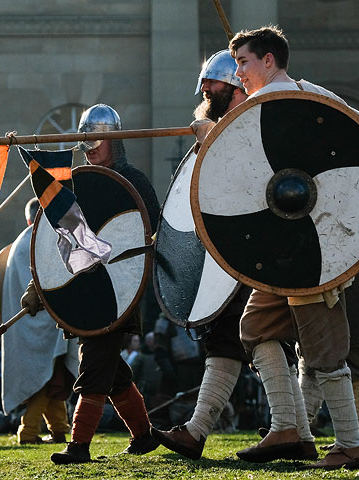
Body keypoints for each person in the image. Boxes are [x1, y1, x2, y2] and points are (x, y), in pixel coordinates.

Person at [228, 25, 359, 469]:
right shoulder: (266, 105)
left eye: (244, 62)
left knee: (323, 347)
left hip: (314, 245)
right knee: (256, 327)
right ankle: (289, 429)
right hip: (274, 249)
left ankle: (350, 444)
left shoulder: (307, 100)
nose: (239, 73)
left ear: (269, 60)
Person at [22, 104, 161, 464]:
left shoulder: (133, 182)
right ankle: (144, 436)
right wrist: (39, 289)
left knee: (95, 364)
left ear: (115, 139)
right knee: (111, 371)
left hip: (117, 288)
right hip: (86, 288)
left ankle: (80, 444)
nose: (91, 147)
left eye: (98, 139)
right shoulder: (75, 187)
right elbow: (60, 242)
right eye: (86, 140)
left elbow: (154, 238)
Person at [151, 50, 256, 460]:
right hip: (231, 256)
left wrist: (212, 136)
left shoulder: (252, 124)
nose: (206, 90)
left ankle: (303, 430)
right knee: (234, 338)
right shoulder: (224, 125)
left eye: (213, 84)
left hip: (258, 251)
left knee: (260, 334)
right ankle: (196, 432)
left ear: (234, 86)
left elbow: (244, 180)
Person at [2, 197, 79, 445]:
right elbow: (48, 286)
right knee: (45, 381)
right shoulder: (36, 242)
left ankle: (58, 430)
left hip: (33, 328)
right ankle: (28, 431)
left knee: (53, 379)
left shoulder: (22, 243)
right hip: (42, 326)